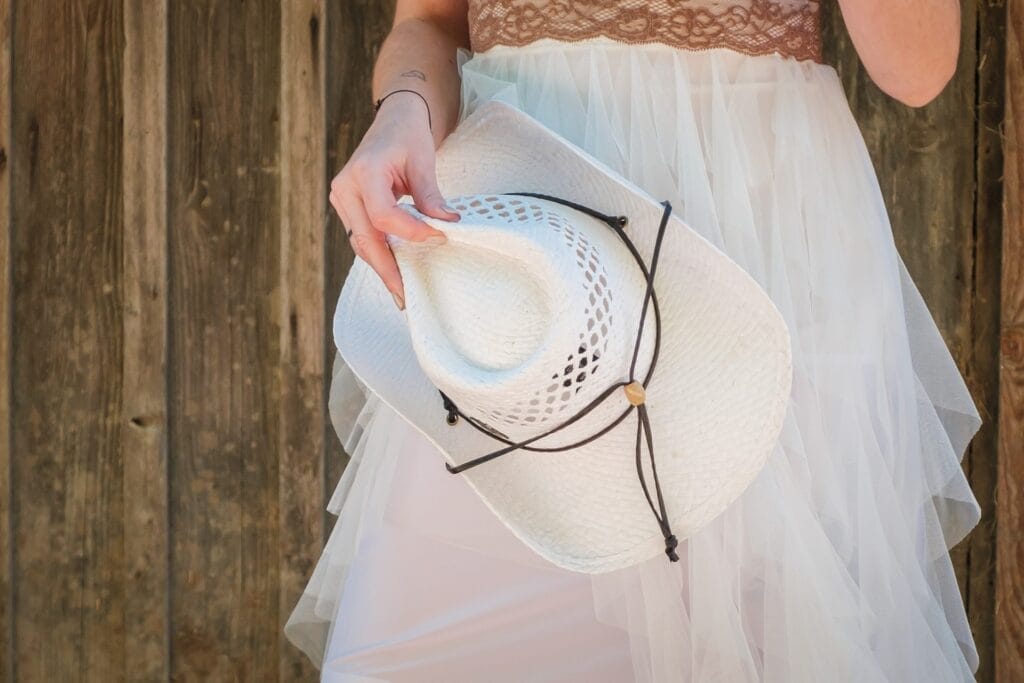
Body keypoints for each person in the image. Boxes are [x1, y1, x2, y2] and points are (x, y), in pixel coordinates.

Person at [285, 1, 983, 681]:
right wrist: (404, 107)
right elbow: (430, 23)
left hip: (755, 254)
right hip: (529, 280)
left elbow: (917, 67)